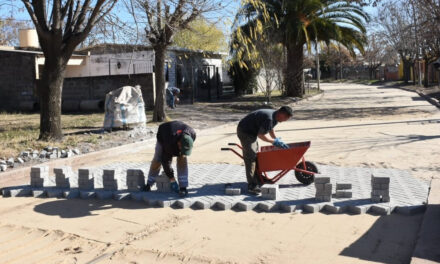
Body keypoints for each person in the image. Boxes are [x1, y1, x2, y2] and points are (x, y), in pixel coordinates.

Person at [237, 106, 293, 194]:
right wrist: (273, 142)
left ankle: (258, 178)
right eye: (286, 118)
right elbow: (261, 135)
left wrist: (276, 139)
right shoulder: (269, 118)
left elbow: (270, 128)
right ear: (281, 113)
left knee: (256, 155)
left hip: (252, 132)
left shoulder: (275, 116)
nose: (285, 120)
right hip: (245, 131)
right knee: (250, 157)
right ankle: (252, 185)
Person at [145, 121, 196, 197]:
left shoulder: (192, 134)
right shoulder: (169, 143)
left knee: (182, 159)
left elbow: (187, 146)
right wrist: (172, 179)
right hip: (164, 135)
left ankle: (183, 187)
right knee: (157, 159)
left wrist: (183, 152)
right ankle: (149, 183)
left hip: (176, 130)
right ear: (179, 143)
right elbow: (165, 161)